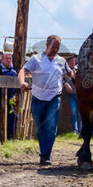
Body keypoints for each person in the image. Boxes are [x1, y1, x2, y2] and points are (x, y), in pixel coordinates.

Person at [18, 35, 67, 166]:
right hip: (38, 97)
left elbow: (68, 74)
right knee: (40, 127)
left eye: (58, 47)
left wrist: (68, 82)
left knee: (51, 126)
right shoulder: (36, 59)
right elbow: (23, 70)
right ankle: (44, 152)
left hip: (54, 97)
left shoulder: (61, 61)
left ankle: (46, 155)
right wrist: (22, 82)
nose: (56, 49)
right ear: (47, 45)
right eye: (54, 46)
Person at [0, 52, 19, 140]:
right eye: (6, 58)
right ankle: (0, 135)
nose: (8, 60)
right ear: (2, 60)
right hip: (0, 97)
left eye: (10, 59)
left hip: (11, 97)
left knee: (13, 116)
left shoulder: (14, 71)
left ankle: (11, 135)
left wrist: (15, 95)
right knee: (0, 116)